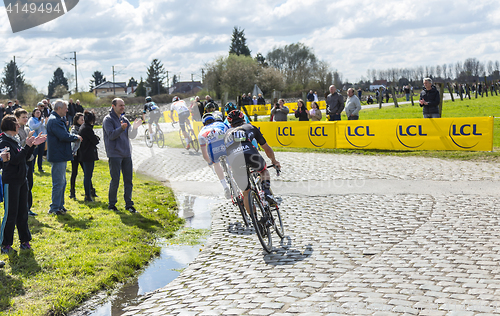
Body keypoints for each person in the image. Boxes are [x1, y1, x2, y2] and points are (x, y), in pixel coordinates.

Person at [0, 115, 45, 253]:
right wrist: (28, 145)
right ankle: (5, 244)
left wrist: (32, 146)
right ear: (9, 126)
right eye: (15, 123)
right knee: (10, 213)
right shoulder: (4, 142)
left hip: (21, 180)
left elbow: (23, 158)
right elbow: (13, 161)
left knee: (23, 212)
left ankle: (25, 241)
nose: (18, 125)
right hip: (11, 181)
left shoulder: (15, 140)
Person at [224, 110, 281, 216]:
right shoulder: (250, 127)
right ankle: (266, 192)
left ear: (230, 124)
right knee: (263, 171)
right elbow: (267, 149)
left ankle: (256, 221)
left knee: (246, 193)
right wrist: (274, 161)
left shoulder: (227, 134)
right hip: (251, 154)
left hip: (235, 161)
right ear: (243, 119)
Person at [102, 98, 142, 213]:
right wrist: (121, 129)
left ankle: (129, 204)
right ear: (113, 106)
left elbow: (132, 135)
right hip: (114, 154)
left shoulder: (124, 119)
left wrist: (134, 128)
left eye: (124, 105)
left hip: (126, 154)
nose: (123, 107)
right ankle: (112, 204)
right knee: (115, 180)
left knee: (128, 180)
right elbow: (111, 135)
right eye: (120, 105)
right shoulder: (108, 120)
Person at [46, 100, 82, 215]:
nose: (67, 110)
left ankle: (60, 206)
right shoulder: (55, 121)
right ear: (59, 108)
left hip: (60, 155)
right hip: (58, 155)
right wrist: (75, 137)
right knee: (58, 182)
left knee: (62, 182)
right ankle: (54, 208)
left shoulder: (57, 119)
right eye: (66, 108)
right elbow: (63, 136)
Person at [198, 113, 231, 199]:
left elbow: (205, 154)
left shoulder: (201, 132)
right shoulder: (221, 124)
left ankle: (225, 186)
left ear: (203, 124)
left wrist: (209, 162)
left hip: (212, 148)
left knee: (216, 164)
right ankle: (234, 177)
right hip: (224, 144)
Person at [14, 109, 37, 216]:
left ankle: (28, 208)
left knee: (30, 184)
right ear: (17, 118)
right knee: (23, 185)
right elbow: (19, 145)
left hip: (29, 160)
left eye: (26, 117)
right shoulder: (15, 130)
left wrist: (35, 142)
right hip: (21, 161)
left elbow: (30, 145)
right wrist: (28, 140)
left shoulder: (28, 129)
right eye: (23, 117)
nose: (25, 119)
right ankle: (22, 208)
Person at [79, 110, 100, 202]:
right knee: (88, 176)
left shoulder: (83, 127)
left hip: (84, 153)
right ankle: (87, 195)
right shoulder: (87, 128)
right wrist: (96, 138)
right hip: (88, 154)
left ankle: (89, 194)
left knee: (87, 175)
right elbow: (95, 140)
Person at [69, 113, 84, 199]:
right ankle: (72, 192)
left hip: (83, 153)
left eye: (83, 119)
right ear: (77, 120)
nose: (83, 121)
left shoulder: (84, 128)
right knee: (74, 173)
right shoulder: (74, 129)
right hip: (75, 154)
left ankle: (91, 190)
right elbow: (72, 139)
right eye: (81, 119)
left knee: (86, 172)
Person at [29, 105, 47, 172]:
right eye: (37, 112)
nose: (38, 114)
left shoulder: (42, 119)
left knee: (40, 154)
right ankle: (32, 169)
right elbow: (34, 127)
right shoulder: (31, 120)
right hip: (34, 140)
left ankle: (40, 168)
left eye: (39, 112)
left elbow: (45, 128)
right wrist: (41, 123)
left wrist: (45, 123)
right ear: (33, 113)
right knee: (34, 155)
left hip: (41, 139)